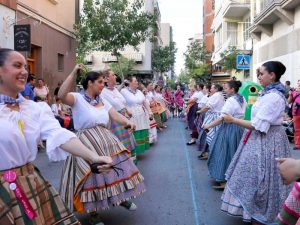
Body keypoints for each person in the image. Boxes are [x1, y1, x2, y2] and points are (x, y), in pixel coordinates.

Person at [0, 48, 113, 225]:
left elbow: (59, 134)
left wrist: (94, 157)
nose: (24, 71)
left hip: (29, 181)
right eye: (17, 65)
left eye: (25, 67)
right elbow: (62, 95)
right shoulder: (77, 98)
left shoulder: (34, 109)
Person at [58, 66, 146, 224]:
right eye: (100, 82)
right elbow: (61, 95)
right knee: (91, 178)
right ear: (90, 83)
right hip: (85, 143)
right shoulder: (76, 98)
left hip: (107, 139)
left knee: (117, 170)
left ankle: (120, 199)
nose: (103, 85)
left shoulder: (102, 100)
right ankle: (93, 213)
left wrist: (127, 121)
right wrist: (72, 72)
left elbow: (115, 115)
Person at [221, 61, 292, 225]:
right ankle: (255, 212)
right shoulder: (268, 93)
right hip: (260, 139)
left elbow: (257, 125)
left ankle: (262, 214)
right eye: (258, 74)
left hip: (268, 141)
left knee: (264, 179)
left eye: (261, 73)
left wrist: (232, 120)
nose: (259, 77)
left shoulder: (274, 96)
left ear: (272, 75)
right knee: (255, 177)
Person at [204, 80, 246, 189]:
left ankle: (224, 180)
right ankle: (233, 179)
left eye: (226, 88)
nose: (225, 90)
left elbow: (222, 118)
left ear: (232, 89)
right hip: (239, 128)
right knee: (234, 153)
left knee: (223, 153)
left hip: (229, 128)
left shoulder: (231, 100)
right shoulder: (242, 98)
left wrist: (209, 126)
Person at [101, 69, 137, 157]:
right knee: (120, 146)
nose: (115, 77)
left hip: (124, 118)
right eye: (113, 75)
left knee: (128, 144)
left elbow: (121, 102)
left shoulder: (115, 90)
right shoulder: (102, 92)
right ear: (106, 79)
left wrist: (126, 111)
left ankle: (131, 166)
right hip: (115, 121)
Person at [121, 76, 152, 155]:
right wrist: (122, 84)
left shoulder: (139, 91)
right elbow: (119, 102)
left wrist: (149, 111)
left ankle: (140, 150)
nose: (137, 82)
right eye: (135, 81)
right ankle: (133, 151)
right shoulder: (123, 91)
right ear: (130, 82)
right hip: (131, 115)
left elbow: (144, 102)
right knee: (134, 132)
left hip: (141, 115)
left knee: (141, 130)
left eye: (137, 81)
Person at [197, 83, 224, 160]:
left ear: (216, 89)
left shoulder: (216, 95)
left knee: (208, 135)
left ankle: (208, 153)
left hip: (213, 118)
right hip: (214, 117)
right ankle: (207, 152)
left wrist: (200, 111)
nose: (210, 89)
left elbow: (207, 106)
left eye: (212, 88)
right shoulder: (219, 95)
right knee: (209, 135)